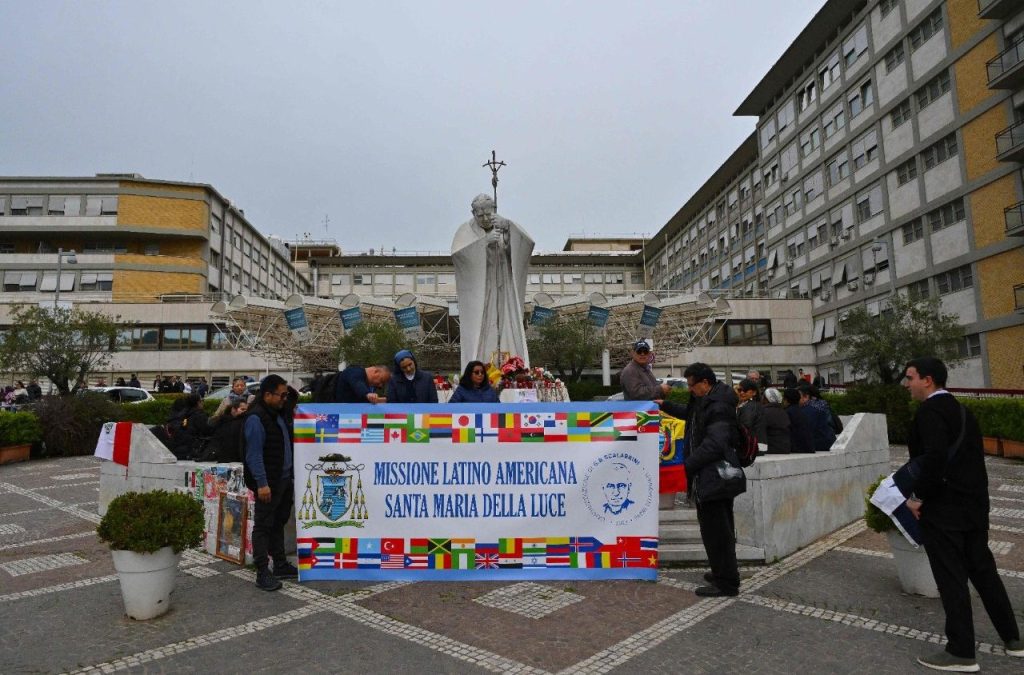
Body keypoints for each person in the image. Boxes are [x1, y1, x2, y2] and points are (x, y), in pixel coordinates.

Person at [902, 357, 1023, 671]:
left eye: (910, 377)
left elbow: (935, 458)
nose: (907, 384)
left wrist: (917, 497)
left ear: (927, 380)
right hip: (974, 505)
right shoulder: (962, 410)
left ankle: (961, 651)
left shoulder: (929, 412)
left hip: (944, 509)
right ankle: (1013, 639)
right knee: (984, 572)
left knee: (951, 576)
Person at [658, 363, 741, 597]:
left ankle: (727, 583)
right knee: (714, 530)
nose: (691, 390)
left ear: (705, 383)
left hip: (715, 476)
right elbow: (691, 415)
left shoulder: (719, 405)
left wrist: (688, 465)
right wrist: (666, 406)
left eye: (692, 386)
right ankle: (722, 572)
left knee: (718, 532)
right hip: (709, 476)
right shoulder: (707, 401)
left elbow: (715, 444)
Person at [451, 193, 535, 368]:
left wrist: (509, 229)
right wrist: (484, 242)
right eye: (480, 215)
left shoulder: (504, 225)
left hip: (504, 285)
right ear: (473, 213)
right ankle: (480, 363)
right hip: (481, 288)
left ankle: (512, 363)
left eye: (488, 214)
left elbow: (526, 244)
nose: (485, 219)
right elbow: (459, 256)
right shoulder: (465, 231)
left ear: (494, 210)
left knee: (506, 321)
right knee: (485, 323)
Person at [243, 375, 298, 592]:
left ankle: (280, 564)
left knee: (278, 522)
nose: (285, 398)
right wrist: (262, 483)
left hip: (283, 480)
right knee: (263, 526)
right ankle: (262, 572)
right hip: (269, 483)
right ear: (267, 395)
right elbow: (254, 455)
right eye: (281, 395)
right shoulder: (256, 418)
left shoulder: (277, 415)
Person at [166, 393, 213, 460]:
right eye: (202, 400)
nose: (203, 402)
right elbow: (207, 431)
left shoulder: (182, 413)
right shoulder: (199, 415)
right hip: (192, 449)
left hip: (178, 448)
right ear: (198, 403)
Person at [797, 384, 836, 452]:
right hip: (831, 442)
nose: (796, 399)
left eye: (798, 396)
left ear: (806, 397)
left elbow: (807, 431)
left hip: (819, 444)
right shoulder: (824, 405)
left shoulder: (807, 410)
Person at [209, 398, 249, 463]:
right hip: (224, 457)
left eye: (246, 410)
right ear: (233, 409)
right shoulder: (223, 421)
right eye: (242, 409)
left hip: (236, 459)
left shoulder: (245, 421)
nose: (245, 411)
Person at [783, 388, 813, 454]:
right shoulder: (803, 411)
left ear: (786, 400)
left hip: (797, 449)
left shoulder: (787, 412)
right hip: (808, 447)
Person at [761, 388, 790, 454]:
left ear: (766, 399)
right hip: (785, 447)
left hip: (771, 448)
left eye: (763, 397)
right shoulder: (783, 412)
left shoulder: (763, 412)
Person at [735, 378, 765, 443]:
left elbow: (745, 427)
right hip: (757, 445)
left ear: (754, 393)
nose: (742, 392)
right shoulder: (753, 404)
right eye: (740, 390)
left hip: (753, 446)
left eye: (745, 390)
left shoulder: (750, 406)